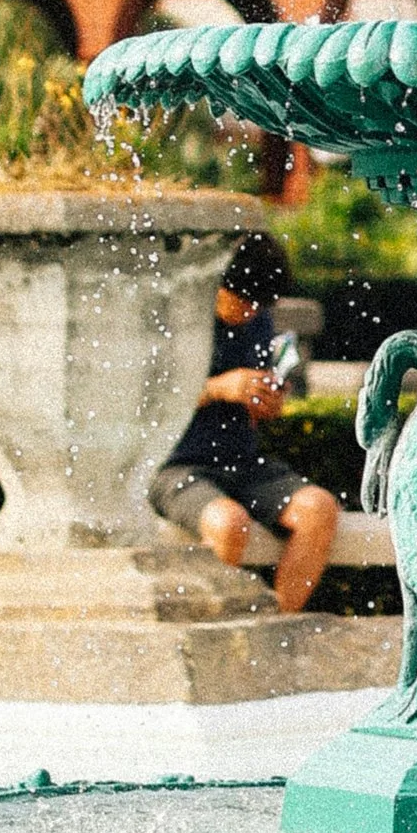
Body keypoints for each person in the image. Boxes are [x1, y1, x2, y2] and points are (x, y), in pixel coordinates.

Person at [150, 232, 340, 614]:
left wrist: (266, 400)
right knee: (228, 525)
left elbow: (261, 390)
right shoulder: (175, 315)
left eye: (261, 305)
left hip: (241, 462)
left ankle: (275, 628)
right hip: (177, 466)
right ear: (217, 283)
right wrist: (219, 388)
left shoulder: (259, 319)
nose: (251, 311)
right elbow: (147, 401)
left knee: (319, 510)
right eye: (244, 301)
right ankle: (216, 636)